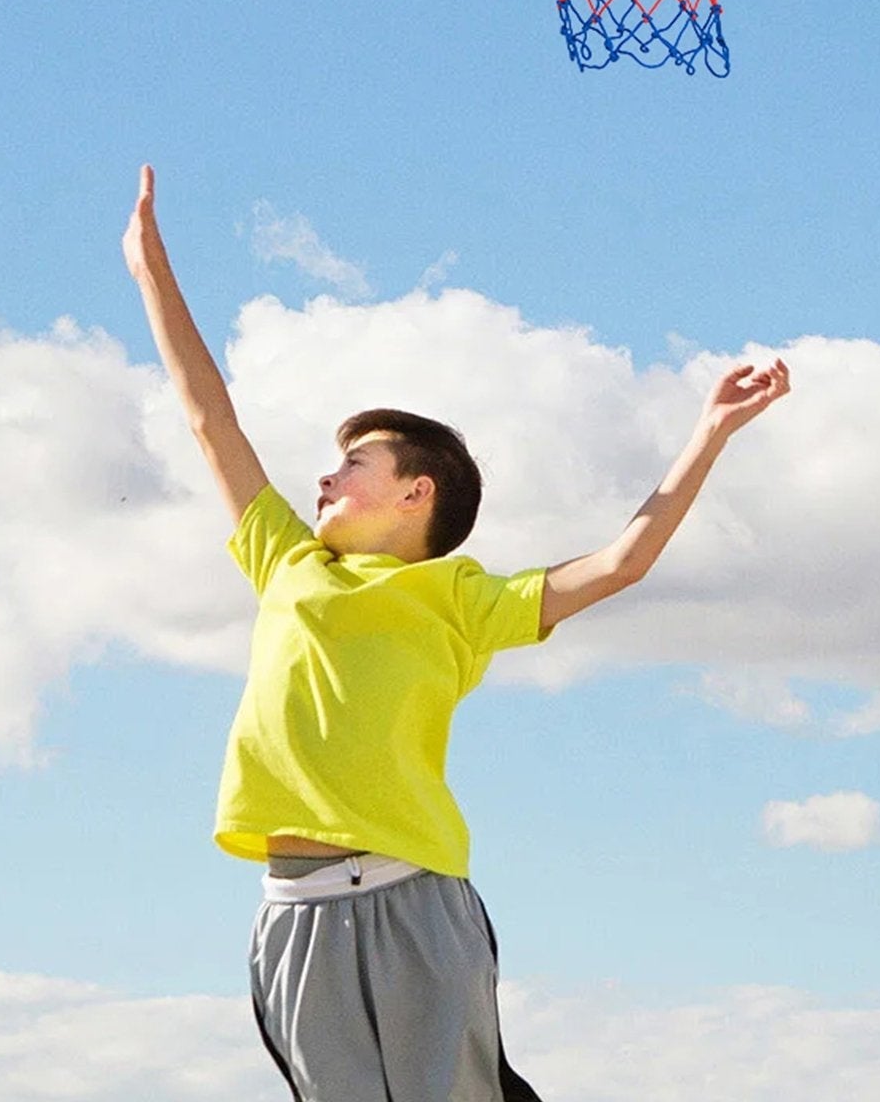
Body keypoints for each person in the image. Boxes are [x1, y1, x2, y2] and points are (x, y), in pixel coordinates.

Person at [121, 164, 790, 1102]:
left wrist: (710, 431)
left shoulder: (457, 597)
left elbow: (621, 562)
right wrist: (150, 269)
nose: (324, 479)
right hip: (296, 908)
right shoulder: (286, 561)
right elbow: (207, 416)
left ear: (414, 492)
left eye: (352, 463)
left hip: (415, 899)